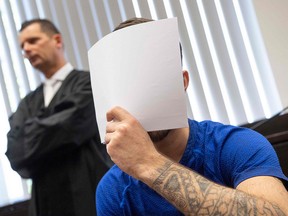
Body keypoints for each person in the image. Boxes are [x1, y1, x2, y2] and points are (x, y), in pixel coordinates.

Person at [96, 17, 288, 215]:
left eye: (154, 81)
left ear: (183, 82)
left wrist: (150, 164)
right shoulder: (114, 190)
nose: (143, 97)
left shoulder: (237, 146)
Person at [5, 19, 111, 216]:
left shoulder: (89, 83)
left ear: (57, 40)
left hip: (87, 197)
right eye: (22, 46)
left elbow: (69, 128)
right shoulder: (27, 102)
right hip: (43, 204)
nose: (27, 49)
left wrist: (34, 137)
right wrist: (52, 132)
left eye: (33, 40)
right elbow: (15, 151)